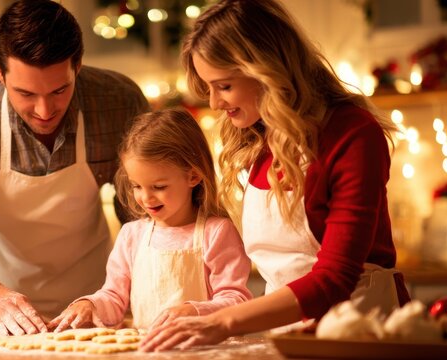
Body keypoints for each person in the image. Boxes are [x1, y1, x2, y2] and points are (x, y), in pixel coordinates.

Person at [140, 0, 411, 351]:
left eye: (223, 86)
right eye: (208, 88)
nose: (215, 103)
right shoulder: (258, 138)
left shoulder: (352, 133)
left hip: (363, 335)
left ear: (267, 70)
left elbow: (335, 278)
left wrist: (219, 322)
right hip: (288, 340)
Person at [0, 0, 149, 336]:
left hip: (94, 305)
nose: (43, 110)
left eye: (59, 90)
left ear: (77, 65)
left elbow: (143, 218)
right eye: (25, 93)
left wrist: (117, 295)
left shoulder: (117, 102)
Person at [48, 108, 252, 332]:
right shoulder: (132, 235)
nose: (146, 198)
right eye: (137, 186)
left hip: (203, 350)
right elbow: (114, 297)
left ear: (193, 176)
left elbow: (236, 299)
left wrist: (193, 311)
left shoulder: (216, 232)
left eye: (159, 187)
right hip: (148, 349)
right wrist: (90, 304)